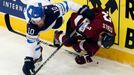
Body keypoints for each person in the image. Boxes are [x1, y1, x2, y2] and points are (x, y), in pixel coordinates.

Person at [22, 0, 95, 75]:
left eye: (40, 20)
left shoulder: (52, 10)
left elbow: (69, 4)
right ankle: (38, 55)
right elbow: (31, 42)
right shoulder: (31, 24)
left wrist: (82, 9)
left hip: (53, 19)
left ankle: (57, 34)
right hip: (34, 9)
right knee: (34, 41)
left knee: (59, 22)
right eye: (35, 22)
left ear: (44, 15)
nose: (38, 24)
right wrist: (28, 59)